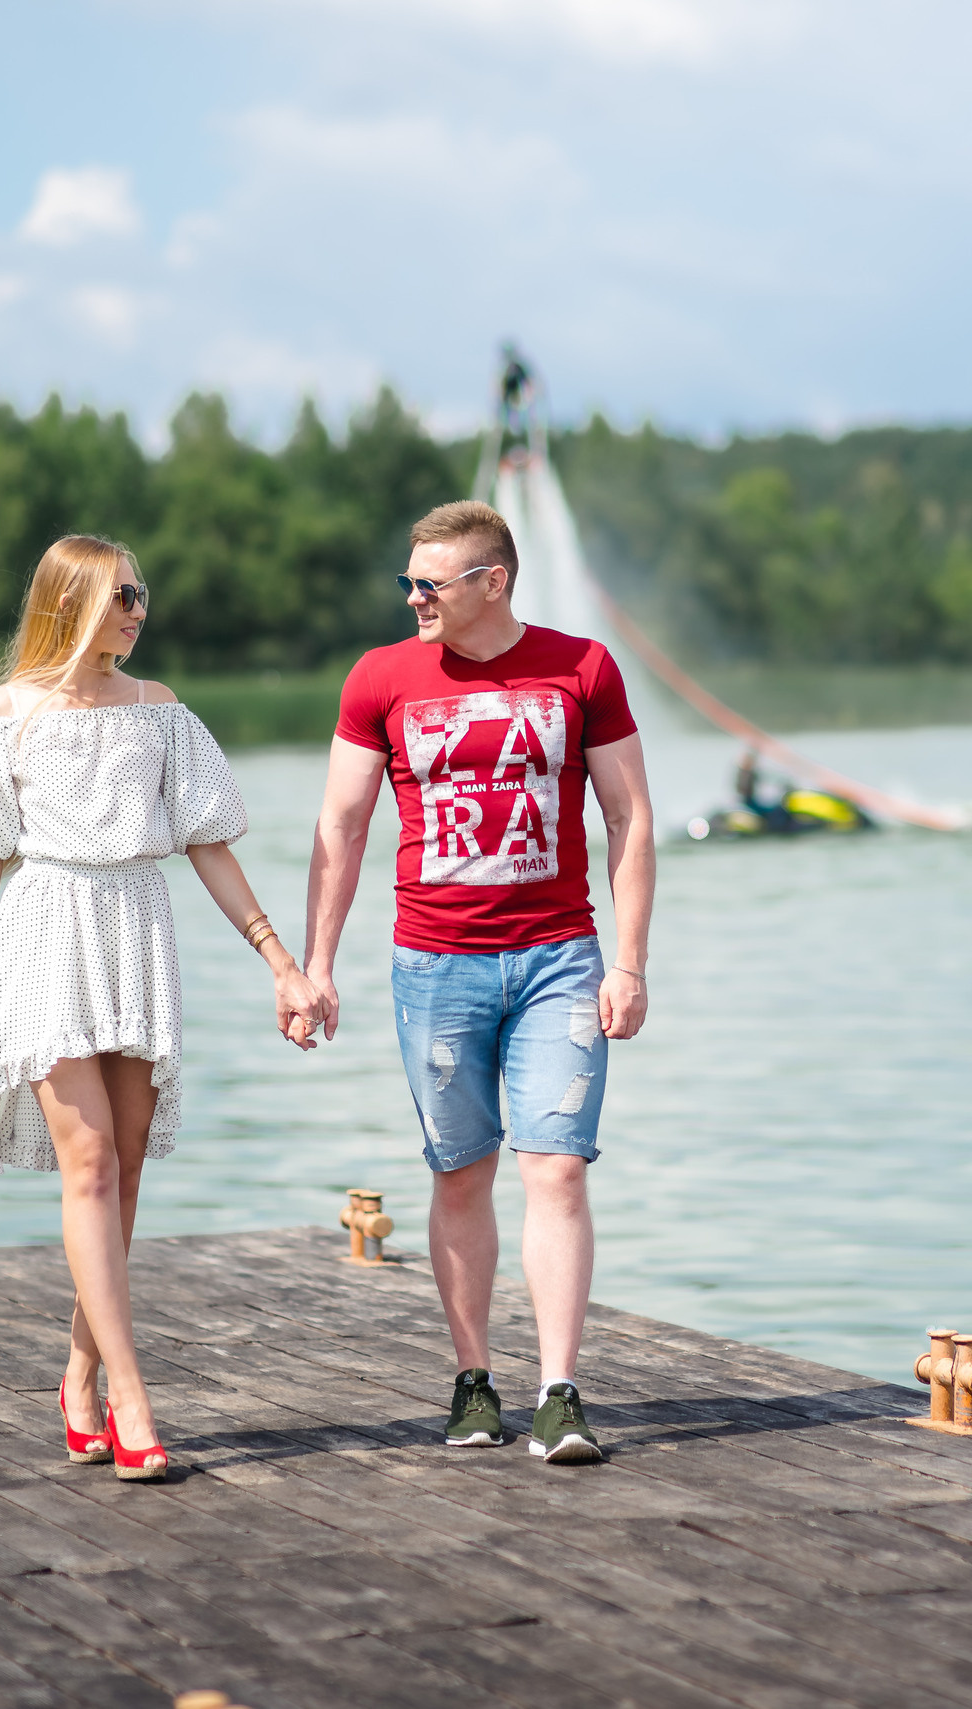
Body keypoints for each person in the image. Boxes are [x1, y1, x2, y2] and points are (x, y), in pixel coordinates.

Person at [0, 534, 324, 1482]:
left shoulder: (159, 712)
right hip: (47, 934)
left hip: (135, 929)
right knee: (86, 1161)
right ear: (72, 599)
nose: (138, 608)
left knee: (125, 1169)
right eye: (122, 593)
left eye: (142, 594)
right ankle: (133, 1397)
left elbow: (208, 844)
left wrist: (280, 962)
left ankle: (81, 1374)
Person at [303, 499, 654, 1465]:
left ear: (490, 582)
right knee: (461, 1175)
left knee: (560, 1169)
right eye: (408, 580)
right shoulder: (381, 677)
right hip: (435, 966)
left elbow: (629, 818)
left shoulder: (583, 668)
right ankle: (473, 1381)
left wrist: (630, 961)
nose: (413, 596)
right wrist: (316, 966)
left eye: (431, 583)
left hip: (560, 960)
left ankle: (560, 1391)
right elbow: (340, 827)